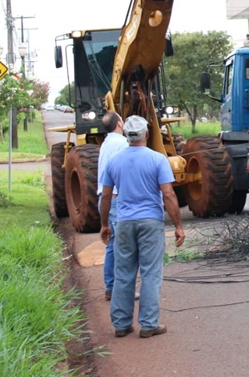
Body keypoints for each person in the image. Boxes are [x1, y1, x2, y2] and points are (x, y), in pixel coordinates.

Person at [99, 115, 186, 339]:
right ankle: (148, 324)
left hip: (124, 223)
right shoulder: (158, 160)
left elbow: (107, 197)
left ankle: (121, 324)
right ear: (146, 134)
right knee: (151, 273)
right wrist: (178, 225)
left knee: (123, 273)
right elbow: (168, 194)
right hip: (150, 223)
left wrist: (104, 225)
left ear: (126, 134)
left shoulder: (114, 161)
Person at [97, 111, 128, 301]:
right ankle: (121, 290)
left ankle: (111, 287)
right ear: (119, 124)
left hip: (106, 199)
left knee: (112, 244)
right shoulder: (122, 144)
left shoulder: (106, 144)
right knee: (123, 246)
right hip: (115, 198)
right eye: (122, 120)